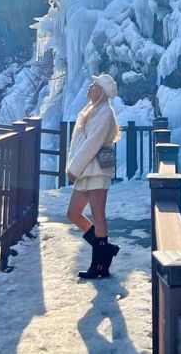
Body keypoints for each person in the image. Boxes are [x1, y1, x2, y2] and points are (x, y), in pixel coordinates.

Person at [66, 73, 121, 279]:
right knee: (73, 213)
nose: (89, 87)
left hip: (97, 169)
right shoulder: (91, 110)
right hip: (87, 169)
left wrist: (74, 168)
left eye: (94, 85)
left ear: (102, 91)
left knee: (98, 214)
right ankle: (104, 249)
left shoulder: (105, 112)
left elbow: (93, 143)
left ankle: (99, 266)